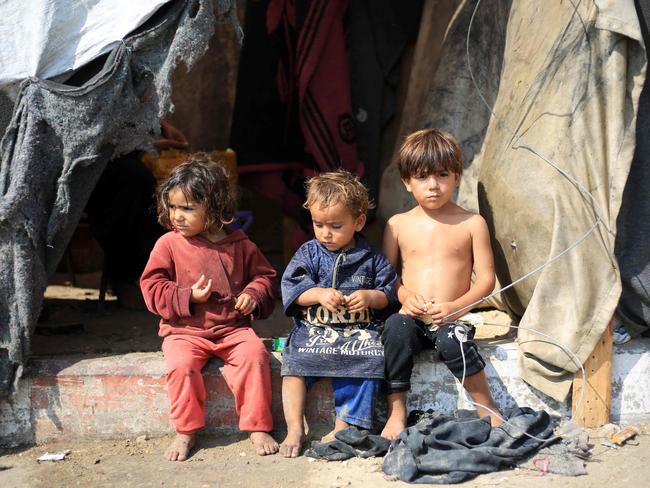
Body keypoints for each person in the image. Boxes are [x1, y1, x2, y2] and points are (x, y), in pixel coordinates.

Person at [140, 154, 279, 461]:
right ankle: (185, 431)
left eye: (188, 208)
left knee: (255, 355)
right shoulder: (168, 245)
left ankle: (257, 426)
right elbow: (150, 286)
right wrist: (187, 296)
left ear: (214, 208)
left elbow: (266, 277)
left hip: (233, 329)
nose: (177, 215)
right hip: (184, 331)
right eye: (173, 206)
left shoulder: (240, 245)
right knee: (180, 366)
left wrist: (254, 295)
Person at [381, 128, 503, 440]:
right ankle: (397, 411)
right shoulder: (397, 225)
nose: (433, 185)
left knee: (454, 340)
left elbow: (487, 280)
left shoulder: (472, 223)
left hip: (453, 318)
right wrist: (405, 296)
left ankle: (486, 406)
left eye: (442, 174)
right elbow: (387, 277)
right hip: (413, 318)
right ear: (407, 182)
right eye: (422, 177)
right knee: (395, 328)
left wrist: (454, 307)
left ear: (457, 177)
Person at [279, 170, 398, 457]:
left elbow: (389, 292)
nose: (325, 233)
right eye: (318, 225)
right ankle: (295, 427)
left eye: (335, 225)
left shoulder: (370, 258)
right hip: (314, 331)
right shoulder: (309, 253)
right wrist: (317, 294)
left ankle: (343, 425)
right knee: (293, 364)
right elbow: (291, 286)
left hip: (356, 334)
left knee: (369, 361)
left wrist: (371, 297)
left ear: (358, 222)